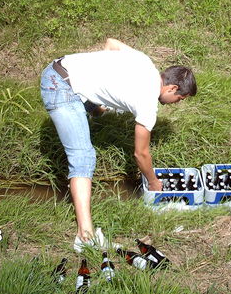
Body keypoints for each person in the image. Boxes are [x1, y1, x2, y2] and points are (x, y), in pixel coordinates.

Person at [39, 38, 197, 252]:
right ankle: (85, 237)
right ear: (172, 88)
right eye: (180, 98)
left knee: (100, 112)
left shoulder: (145, 62)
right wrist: (153, 182)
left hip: (60, 68)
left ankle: (94, 108)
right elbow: (140, 154)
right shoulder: (148, 102)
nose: (177, 103)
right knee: (83, 158)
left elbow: (111, 43)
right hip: (60, 87)